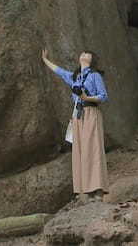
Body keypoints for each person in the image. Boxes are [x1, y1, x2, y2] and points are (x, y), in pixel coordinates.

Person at [42, 48, 109, 197]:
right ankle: (84, 189)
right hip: (78, 115)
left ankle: (97, 188)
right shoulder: (74, 77)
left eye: (88, 53)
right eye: (83, 53)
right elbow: (59, 71)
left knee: (93, 148)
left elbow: (104, 96)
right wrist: (45, 60)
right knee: (80, 150)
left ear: (92, 59)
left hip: (91, 112)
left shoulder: (95, 76)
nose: (84, 54)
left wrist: (87, 98)